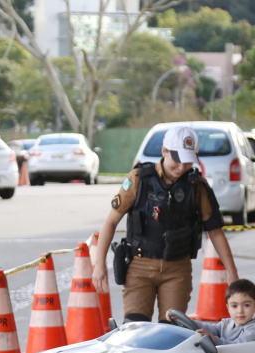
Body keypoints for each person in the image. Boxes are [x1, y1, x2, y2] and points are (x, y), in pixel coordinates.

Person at [92, 125, 238, 323]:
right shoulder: (138, 179)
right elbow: (110, 222)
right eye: (177, 159)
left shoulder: (197, 187)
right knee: (135, 330)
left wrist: (232, 272)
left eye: (187, 161)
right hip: (139, 268)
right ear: (164, 151)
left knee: (170, 332)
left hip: (177, 270)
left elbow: (216, 232)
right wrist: (100, 264)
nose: (181, 167)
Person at [169, 279, 255, 345]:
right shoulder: (227, 323)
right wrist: (185, 320)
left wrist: (215, 340)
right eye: (234, 306)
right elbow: (212, 329)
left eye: (246, 305)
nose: (240, 311)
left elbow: (238, 347)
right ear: (228, 307)